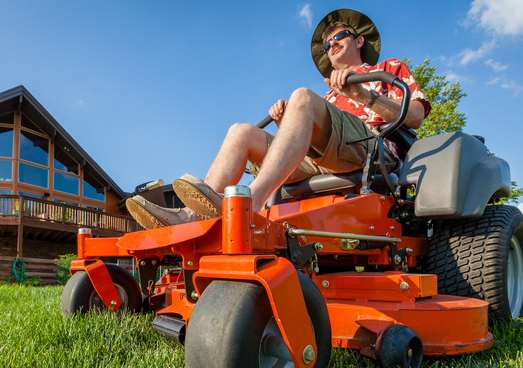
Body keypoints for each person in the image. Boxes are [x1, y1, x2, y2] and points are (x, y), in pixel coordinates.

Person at [126, 9, 430, 230]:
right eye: (326, 44)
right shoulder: (328, 99)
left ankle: (249, 205)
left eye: (338, 37)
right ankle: (191, 217)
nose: (331, 45)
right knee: (241, 132)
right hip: (327, 155)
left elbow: (415, 116)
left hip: (372, 147)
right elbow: (297, 146)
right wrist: (289, 120)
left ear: (359, 40)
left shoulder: (389, 68)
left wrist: (362, 94)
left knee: (301, 96)